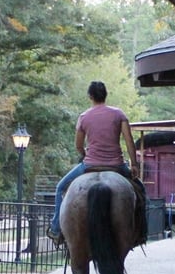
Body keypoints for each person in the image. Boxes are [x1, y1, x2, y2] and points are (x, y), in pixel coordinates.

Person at [47, 80, 142, 246]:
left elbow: (78, 145)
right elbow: (129, 142)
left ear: (90, 96)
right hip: (117, 166)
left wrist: (85, 154)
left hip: (90, 165)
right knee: (140, 191)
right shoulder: (119, 114)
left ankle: (56, 230)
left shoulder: (84, 117)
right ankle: (140, 232)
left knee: (60, 187)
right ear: (106, 95)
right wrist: (134, 164)